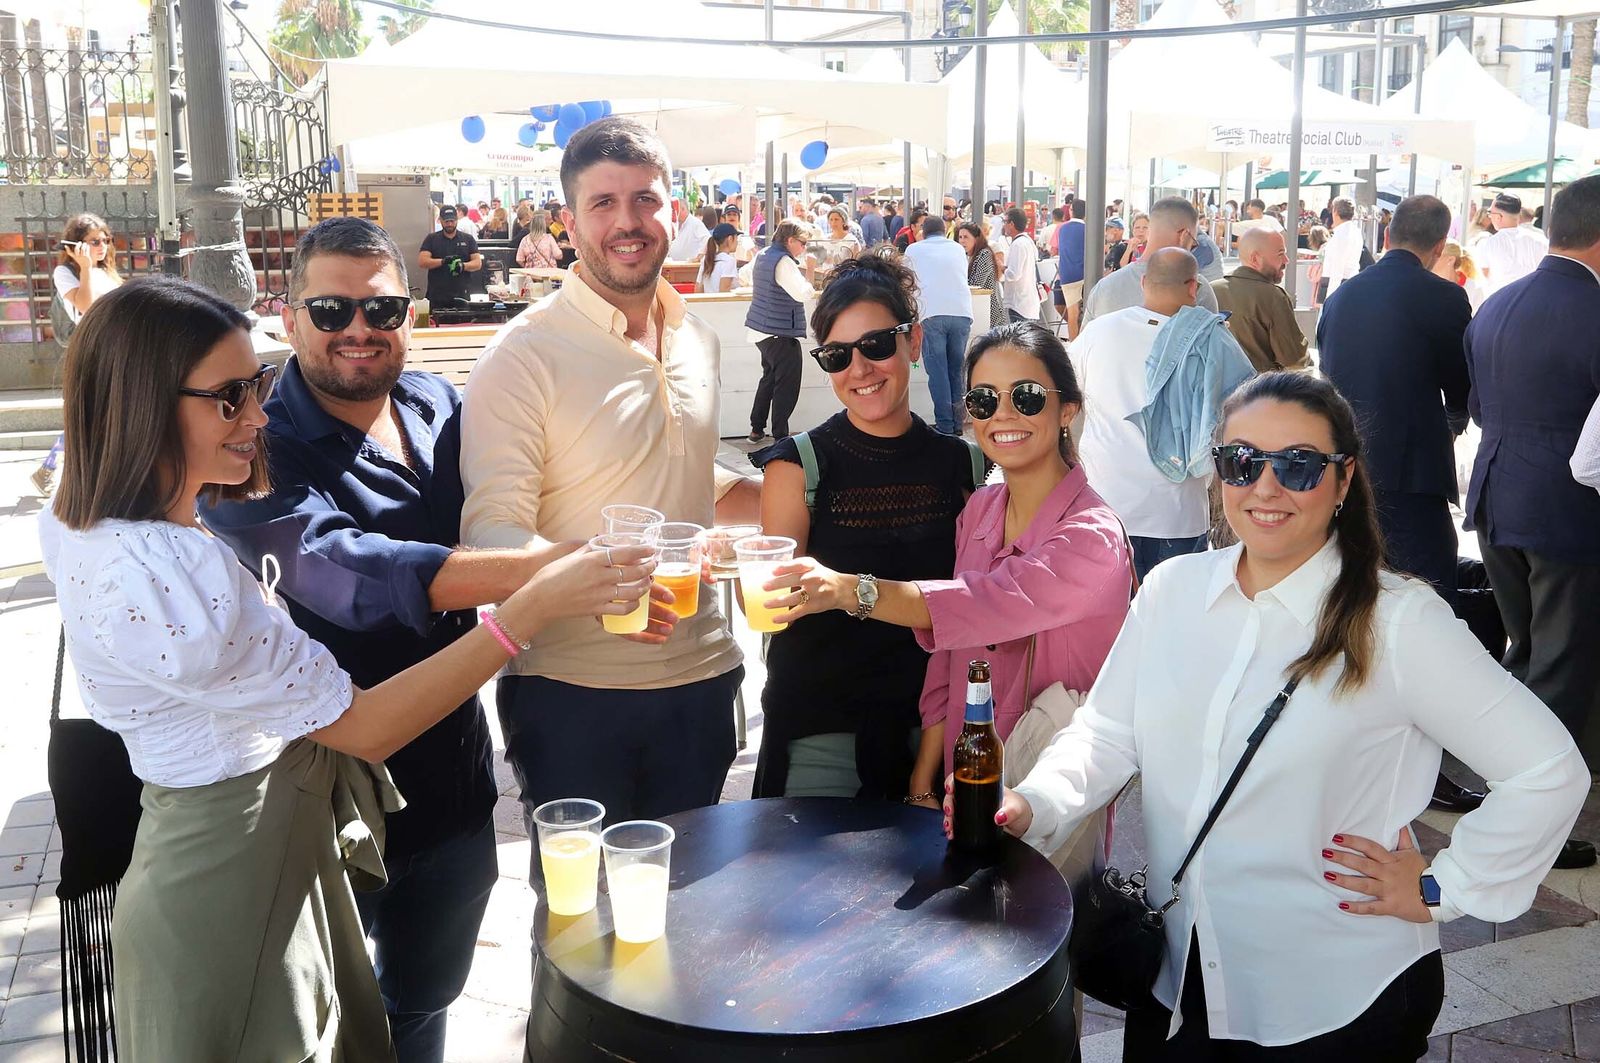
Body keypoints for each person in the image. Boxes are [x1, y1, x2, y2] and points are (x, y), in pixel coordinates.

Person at [41, 274, 651, 1061]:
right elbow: (364, 724)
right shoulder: (172, 573)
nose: (257, 415)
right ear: (142, 402)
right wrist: (530, 605)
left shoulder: (90, 520)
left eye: (254, 387)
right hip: (236, 883)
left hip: (243, 857)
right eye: (229, 397)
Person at [981, 369, 1588, 1060]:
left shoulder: (1399, 622)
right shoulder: (1174, 591)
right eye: (1242, 462)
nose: (1265, 486)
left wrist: (1440, 884)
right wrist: (1036, 801)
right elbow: (1108, 731)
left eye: (1297, 465)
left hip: (1335, 996)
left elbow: (1548, 769)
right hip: (1183, 978)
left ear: (1343, 477)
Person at [198, 217, 556, 1062]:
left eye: (382, 307)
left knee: (425, 1001)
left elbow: (547, 474)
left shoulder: (440, 404)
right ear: (290, 318)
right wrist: (548, 575)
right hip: (324, 790)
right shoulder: (254, 442)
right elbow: (341, 572)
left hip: (456, 780)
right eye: (331, 308)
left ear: (409, 313)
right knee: (325, 1025)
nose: (358, 328)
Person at [460, 121, 763, 878]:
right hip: (573, 695)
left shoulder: (696, 337)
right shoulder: (522, 354)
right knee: (581, 929)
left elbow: (683, 471)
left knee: (689, 914)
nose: (626, 222)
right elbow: (493, 531)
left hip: (705, 680)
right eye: (602, 203)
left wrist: (784, 500)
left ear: (672, 209)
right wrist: (594, 584)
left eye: (645, 200)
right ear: (568, 222)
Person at [762, 320, 1133, 810]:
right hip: (963, 782)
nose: (1003, 414)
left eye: (1025, 396)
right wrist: (922, 781)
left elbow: (985, 606)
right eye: (983, 400)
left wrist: (851, 589)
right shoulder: (980, 510)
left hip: (1049, 790)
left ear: (1067, 408)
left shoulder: (1092, 536)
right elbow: (949, 656)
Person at [748, 254, 982, 800]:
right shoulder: (797, 464)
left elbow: (978, 608)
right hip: (822, 734)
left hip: (937, 735)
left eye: (876, 345)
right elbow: (770, 611)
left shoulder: (964, 466)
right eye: (836, 356)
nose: (860, 369)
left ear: (914, 342)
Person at [1317, 195, 1484, 817]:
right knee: (1428, 613)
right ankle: (1423, 770)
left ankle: (1356, 747)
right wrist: (1453, 418)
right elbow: (1463, 386)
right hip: (1411, 475)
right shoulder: (1442, 297)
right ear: (1440, 244)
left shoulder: (1342, 296)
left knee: (1349, 601)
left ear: (1387, 232)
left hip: (1342, 474)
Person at [1464, 174, 1600, 871]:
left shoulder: (1496, 304)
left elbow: (1481, 409)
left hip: (1496, 497)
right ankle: (1528, 829)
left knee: (1524, 653)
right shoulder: (1594, 310)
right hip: (1567, 510)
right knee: (1559, 667)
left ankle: (1508, 797)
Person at [1072, 248, 1248, 580]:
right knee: (1170, 620)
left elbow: (1065, 397)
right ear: (1194, 287)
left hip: (1104, 505)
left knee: (1110, 625)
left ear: (1143, 282)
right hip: (1177, 512)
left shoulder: (1098, 333)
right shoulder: (1213, 340)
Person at [33, 212, 123, 496]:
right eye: (94, 241)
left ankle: (51, 469)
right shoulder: (66, 273)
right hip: (91, 355)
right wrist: (84, 267)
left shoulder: (106, 272)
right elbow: (86, 306)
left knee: (100, 416)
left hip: (115, 351)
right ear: (76, 245)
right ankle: (53, 469)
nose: (102, 246)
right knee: (89, 415)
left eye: (105, 239)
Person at [1084, 197, 1219, 325]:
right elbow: (1212, 345)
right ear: (1184, 236)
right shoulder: (1195, 288)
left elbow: (1083, 344)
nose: (1192, 249)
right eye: (1193, 244)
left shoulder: (1103, 288)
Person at [745, 219, 816, 444]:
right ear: (790, 240)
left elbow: (745, 276)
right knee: (787, 384)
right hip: (780, 331)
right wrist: (811, 271)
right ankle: (781, 436)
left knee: (769, 379)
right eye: (803, 242)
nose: (804, 248)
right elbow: (803, 293)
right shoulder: (784, 262)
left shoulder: (764, 254)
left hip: (760, 329)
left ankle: (757, 429)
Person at [903, 214, 974, 434]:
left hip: (931, 314)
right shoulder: (956, 249)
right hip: (961, 313)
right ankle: (958, 424)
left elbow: (905, 281)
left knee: (938, 372)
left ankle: (944, 426)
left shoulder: (913, 250)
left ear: (923, 231)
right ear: (945, 231)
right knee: (956, 370)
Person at [1213, 226, 1310, 373]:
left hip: (1215, 388)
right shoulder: (1273, 297)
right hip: (1259, 390)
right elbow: (1294, 360)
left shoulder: (1211, 290)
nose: (1286, 260)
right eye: (1280, 254)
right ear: (1255, 259)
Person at [1478, 192, 1549, 296]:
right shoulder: (1539, 240)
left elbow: (1483, 276)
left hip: (1500, 303)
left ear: (1499, 216)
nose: (1490, 217)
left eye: (1490, 213)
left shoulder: (1487, 243)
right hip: (1533, 301)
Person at [417, 205, 482, 309]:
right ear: (441, 221)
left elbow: (477, 263)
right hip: (437, 296)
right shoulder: (432, 239)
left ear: (457, 220)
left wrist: (462, 266)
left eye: (452, 221)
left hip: (462, 295)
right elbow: (422, 261)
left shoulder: (468, 239)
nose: (450, 224)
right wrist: (442, 262)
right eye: (446, 221)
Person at [957, 221, 1006, 329]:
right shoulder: (967, 256)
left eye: (966, 237)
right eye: (960, 237)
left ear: (976, 238)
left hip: (990, 313)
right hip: (978, 311)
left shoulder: (984, 254)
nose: (962, 241)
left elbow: (976, 283)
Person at [999, 207, 1041, 324]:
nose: (1004, 225)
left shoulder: (1018, 244)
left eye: (1005, 222)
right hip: (1028, 302)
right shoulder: (1028, 241)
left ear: (1011, 224)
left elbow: (1014, 274)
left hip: (1019, 303)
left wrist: (1002, 267)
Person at [1320, 197, 1366, 300]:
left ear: (1335, 211)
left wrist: (1330, 299)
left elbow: (1337, 269)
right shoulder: (1355, 232)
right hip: (1348, 284)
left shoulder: (1342, 234)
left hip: (1337, 286)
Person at [1056, 199, 1088, 339]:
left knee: (1072, 312)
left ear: (1071, 211)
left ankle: (1073, 345)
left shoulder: (1062, 228)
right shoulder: (1088, 229)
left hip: (1067, 275)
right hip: (1085, 274)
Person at [1431, 239, 1486, 313]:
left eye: (1436, 255)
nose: (1431, 258)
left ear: (1450, 260)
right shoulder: (1428, 286)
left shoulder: (1474, 288)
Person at [697, 222, 741, 293]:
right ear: (730, 239)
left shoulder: (706, 259)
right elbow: (724, 292)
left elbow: (698, 289)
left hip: (707, 303)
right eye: (736, 238)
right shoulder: (729, 261)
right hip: (721, 303)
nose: (737, 242)